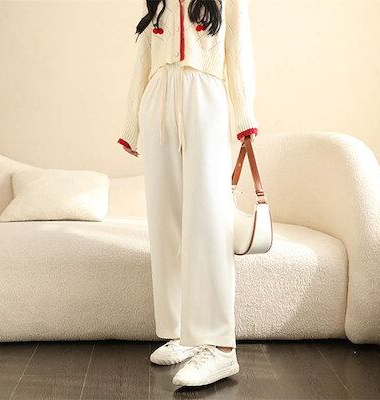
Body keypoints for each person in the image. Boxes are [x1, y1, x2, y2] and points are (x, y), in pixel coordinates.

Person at [117, 0, 258, 387]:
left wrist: (245, 116)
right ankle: (184, 333)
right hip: (158, 103)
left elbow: (239, 51)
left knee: (209, 223)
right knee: (167, 224)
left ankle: (222, 348)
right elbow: (143, 60)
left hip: (205, 100)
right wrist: (131, 125)